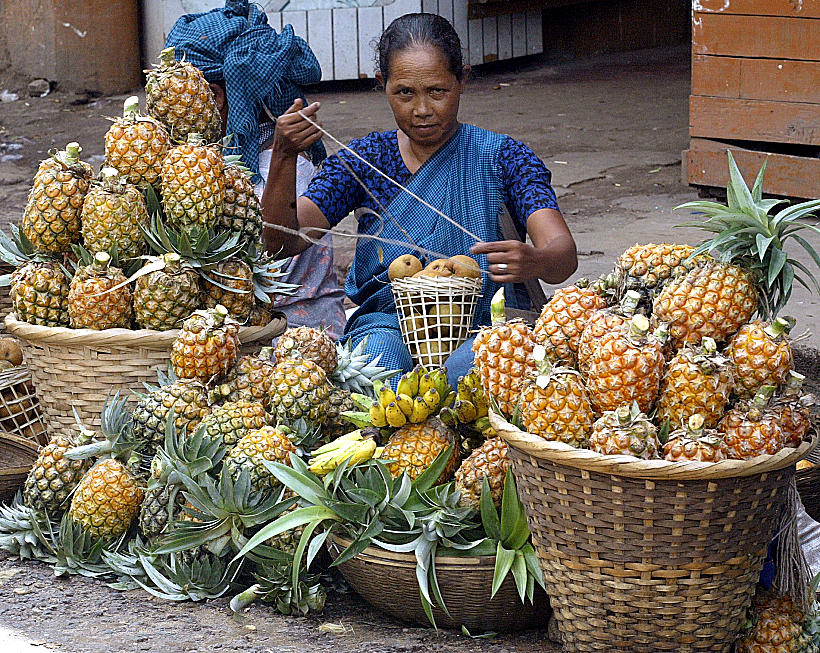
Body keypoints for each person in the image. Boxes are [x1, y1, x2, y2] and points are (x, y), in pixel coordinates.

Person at [261, 12, 578, 380]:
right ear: (383, 85)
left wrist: (535, 261)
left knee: (465, 372)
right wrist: (283, 156)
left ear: (463, 80)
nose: (422, 109)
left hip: (488, 325)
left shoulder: (504, 158)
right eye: (405, 93)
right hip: (389, 322)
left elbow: (563, 255)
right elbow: (282, 243)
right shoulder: (364, 161)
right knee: (377, 367)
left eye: (438, 91)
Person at [164, 0, 347, 339]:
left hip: (292, 340)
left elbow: (263, 272)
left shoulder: (281, 168)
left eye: (172, 100)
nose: (163, 115)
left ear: (215, 96)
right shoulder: (210, 163)